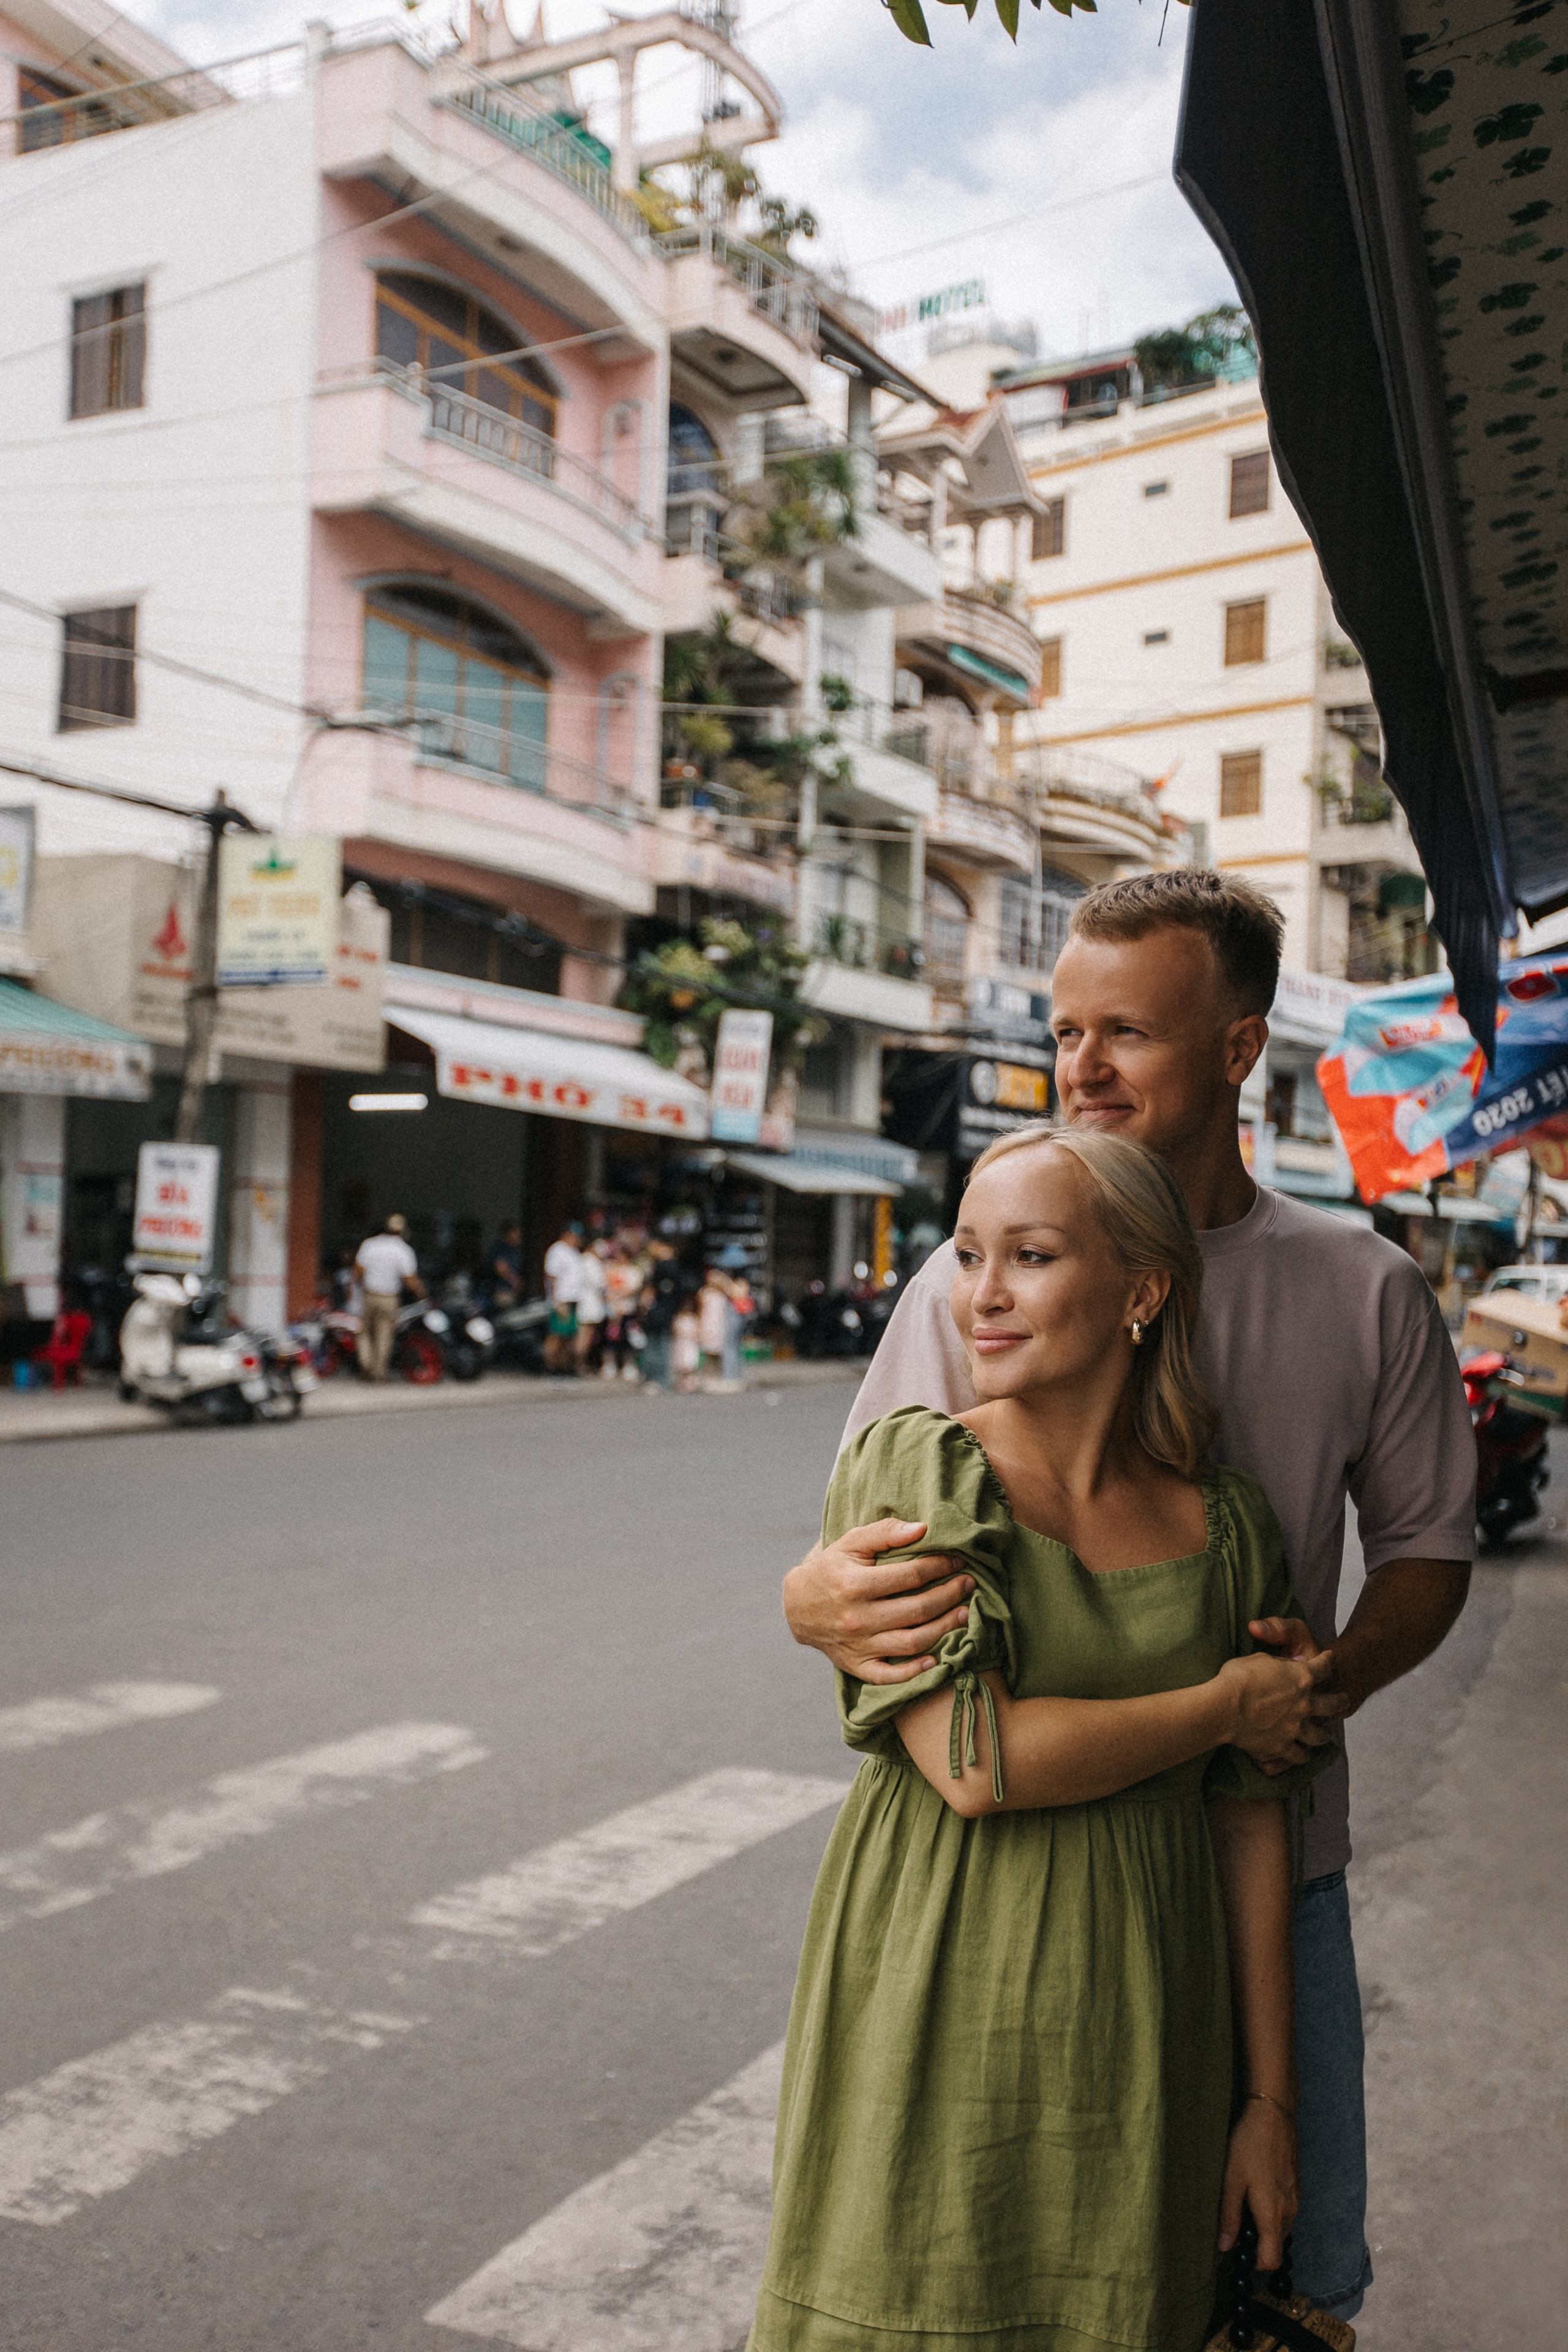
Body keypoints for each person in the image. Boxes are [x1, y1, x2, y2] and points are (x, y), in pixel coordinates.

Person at [780, 869, 1476, 2328]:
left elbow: (1424, 1548)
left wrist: (1315, 1682)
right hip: (996, 1892)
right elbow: (869, 1529)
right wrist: (807, 1599)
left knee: (1283, 2283)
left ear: (1234, 1050)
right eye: (1064, 1030)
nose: (1078, 1068)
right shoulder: (957, 1284)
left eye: (1125, 1034)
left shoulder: (1358, 1290)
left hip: (1258, 1866)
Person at [751, 1127, 1332, 2352]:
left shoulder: (1227, 1526)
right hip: (939, 1991)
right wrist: (1226, 1702)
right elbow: (975, 1759)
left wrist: (1268, 2105)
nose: (982, 1296)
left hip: (1149, 2035)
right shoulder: (920, 1467)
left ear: (1140, 1290)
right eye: (966, 1255)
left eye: (1028, 1256)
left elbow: (1247, 1823)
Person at [353, 1213, 420, 1382]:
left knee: (365, 1333)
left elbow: (358, 1271)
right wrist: (421, 1294)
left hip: (369, 1295)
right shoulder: (404, 1250)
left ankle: (366, 1366)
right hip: (389, 1298)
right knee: (384, 1335)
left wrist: (359, 1286)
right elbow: (410, 1279)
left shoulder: (370, 1245)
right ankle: (379, 1373)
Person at [638, 1238, 682, 1392]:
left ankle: (657, 1379)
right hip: (665, 1311)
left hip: (659, 1312)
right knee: (659, 1344)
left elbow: (652, 1289)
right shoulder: (674, 1266)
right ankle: (659, 1379)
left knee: (657, 1345)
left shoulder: (663, 1266)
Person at [541, 1222, 583, 1376]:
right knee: (556, 1336)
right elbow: (551, 1276)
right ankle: (551, 1369)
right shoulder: (557, 1251)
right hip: (561, 1300)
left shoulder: (575, 1252)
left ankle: (564, 1369)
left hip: (573, 1300)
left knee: (568, 1338)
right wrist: (555, 1300)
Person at [573, 1237, 608, 1376]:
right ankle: (579, 1365)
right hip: (589, 1304)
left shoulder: (581, 1260)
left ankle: (580, 1364)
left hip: (584, 1302)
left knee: (584, 1336)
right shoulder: (591, 1262)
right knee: (584, 1337)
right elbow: (599, 1284)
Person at [696, 1268, 731, 1387]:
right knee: (708, 1353)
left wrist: (723, 1280)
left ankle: (719, 1376)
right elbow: (700, 1311)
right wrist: (699, 1326)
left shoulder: (723, 1293)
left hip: (720, 1325)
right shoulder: (704, 1293)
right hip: (708, 1324)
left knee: (719, 1354)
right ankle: (707, 1377)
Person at [489, 1221, 524, 1311]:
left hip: (512, 1291)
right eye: (516, 1233)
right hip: (503, 1291)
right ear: (508, 1234)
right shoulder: (501, 1249)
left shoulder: (515, 1250)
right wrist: (514, 1281)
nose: (518, 1236)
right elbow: (501, 1268)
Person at [672, 1295, 702, 1392]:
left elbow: (697, 1331)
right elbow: (674, 1331)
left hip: (690, 1344)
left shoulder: (694, 1318)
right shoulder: (678, 1318)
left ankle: (692, 1384)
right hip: (681, 1344)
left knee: (691, 1365)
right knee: (682, 1366)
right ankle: (682, 1384)